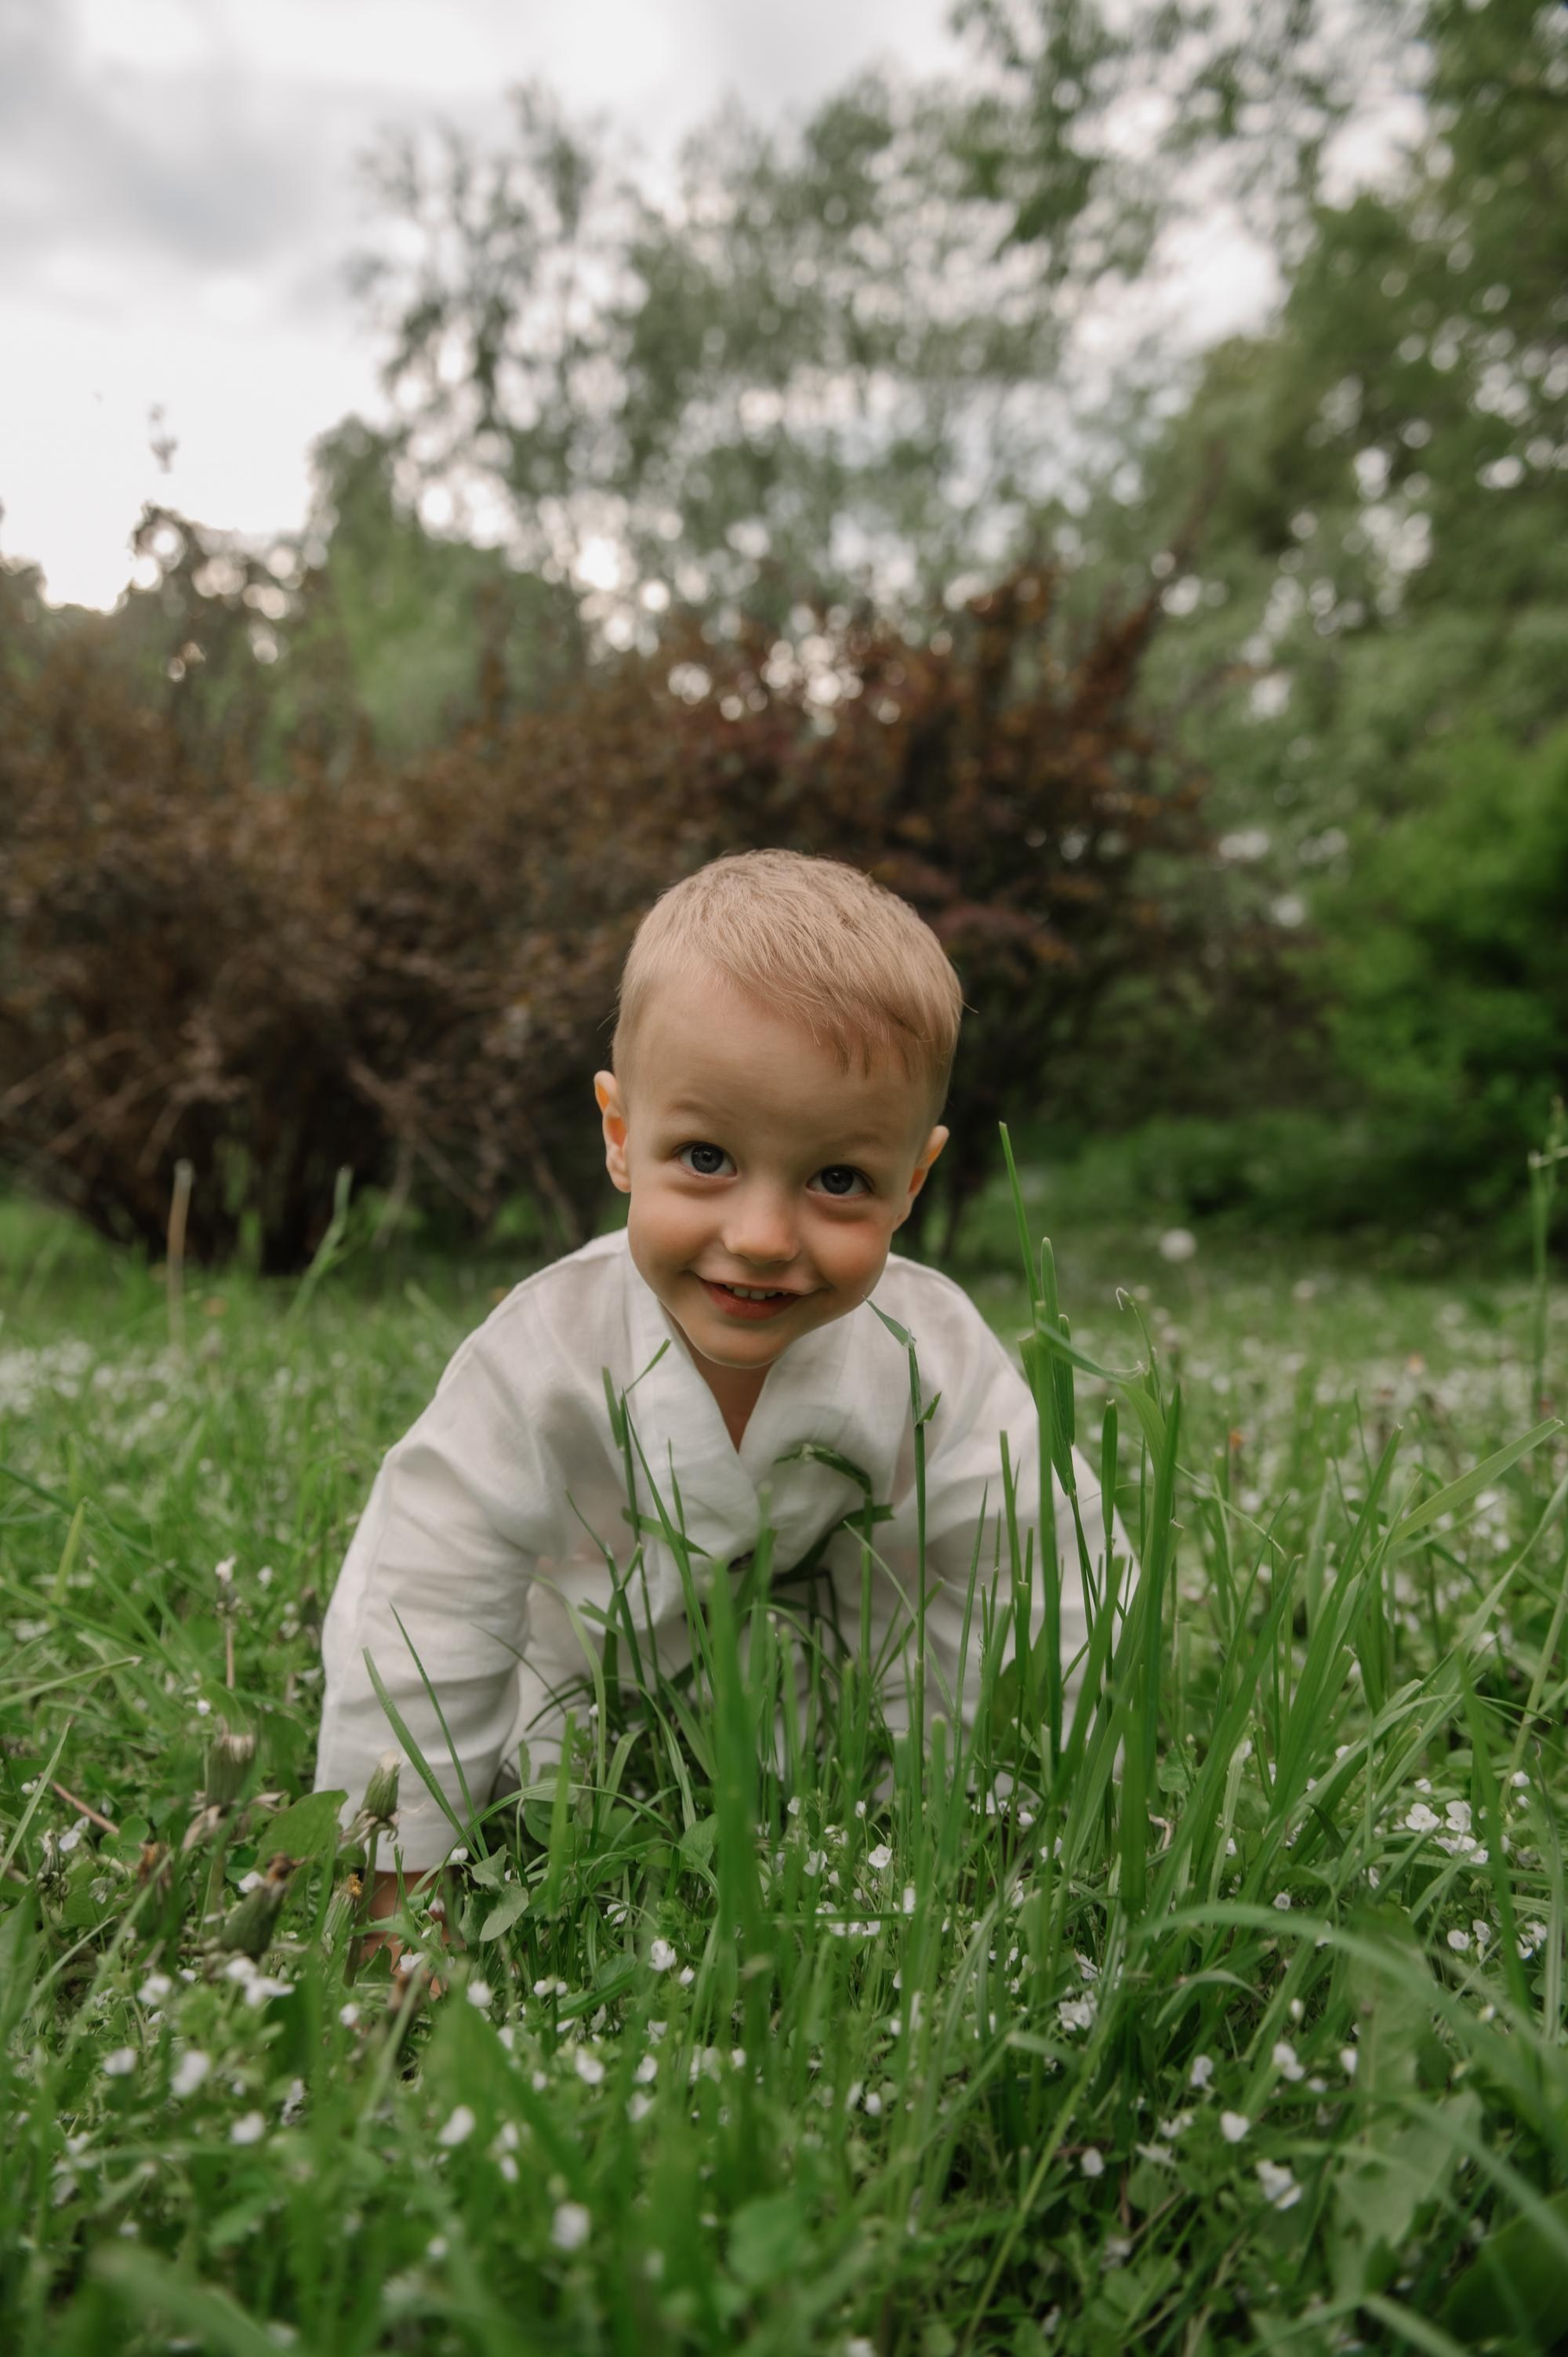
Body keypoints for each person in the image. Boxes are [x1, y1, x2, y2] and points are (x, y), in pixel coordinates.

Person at [314, 850, 1121, 1930]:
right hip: (571, 1704)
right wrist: (395, 1876)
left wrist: (1018, 1803)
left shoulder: (935, 1359)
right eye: (705, 1157)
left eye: (839, 1179)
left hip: (832, 1724)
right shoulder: (543, 1355)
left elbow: (1041, 1568)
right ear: (620, 1135)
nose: (762, 1236)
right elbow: (429, 1592)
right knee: (537, 1747)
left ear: (912, 1181)